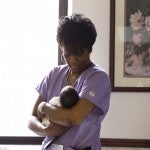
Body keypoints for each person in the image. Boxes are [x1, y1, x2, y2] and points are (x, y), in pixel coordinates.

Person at [28, 13, 111, 150]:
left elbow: (73, 118)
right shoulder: (54, 74)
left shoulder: (98, 78)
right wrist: (46, 130)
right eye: (67, 54)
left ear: (90, 49)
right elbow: (32, 120)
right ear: (61, 47)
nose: (72, 60)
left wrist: (43, 107)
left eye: (78, 54)